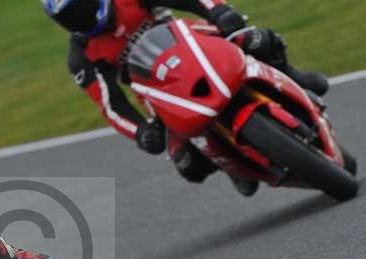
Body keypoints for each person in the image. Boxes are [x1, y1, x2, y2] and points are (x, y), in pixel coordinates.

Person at [42, 0, 330, 197]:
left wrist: (220, 12)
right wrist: (141, 132)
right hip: (161, 92)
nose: (78, 18)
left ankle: (293, 76)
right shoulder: (81, 57)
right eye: (68, 17)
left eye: (80, 6)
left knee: (255, 39)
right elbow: (111, 105)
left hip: (198, 44)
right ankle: (225, 161)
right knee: (188, 164)